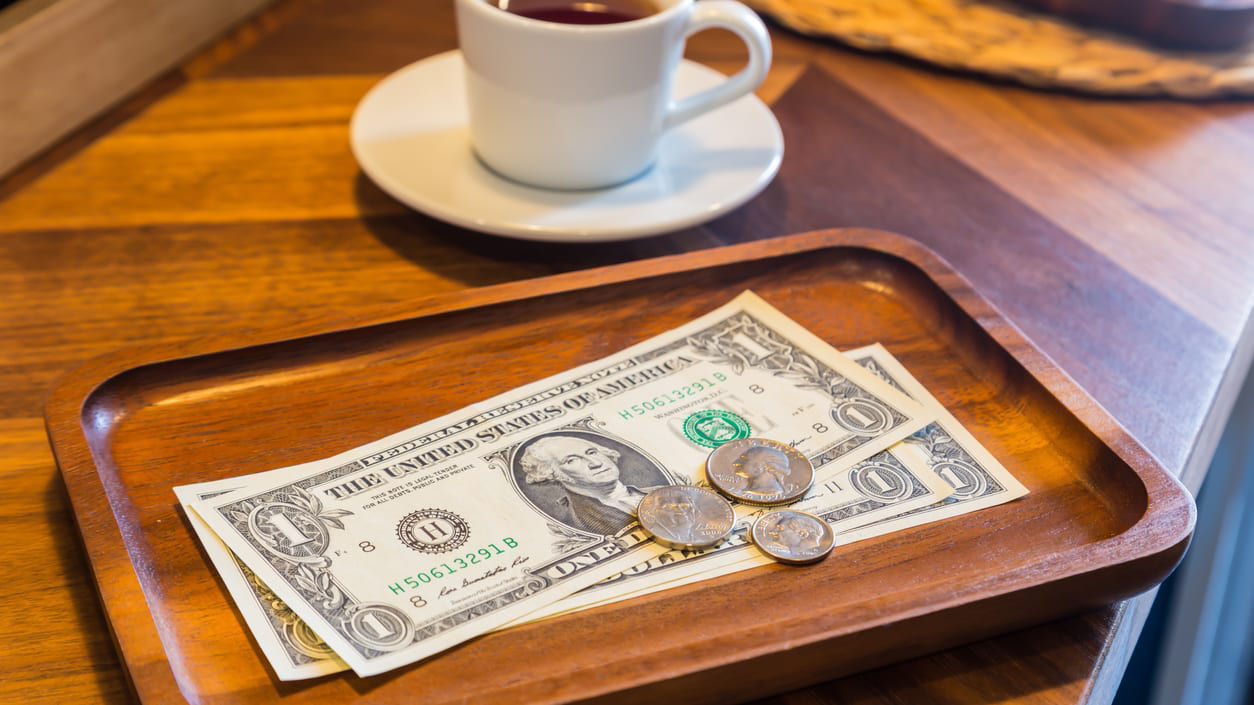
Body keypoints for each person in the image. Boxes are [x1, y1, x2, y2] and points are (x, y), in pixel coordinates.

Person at [519, 434, 662, 535]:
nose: (597, 463)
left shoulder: (659, 491)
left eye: (592, 452)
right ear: (553, 474)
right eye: (572, 460)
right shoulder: (578, 524)